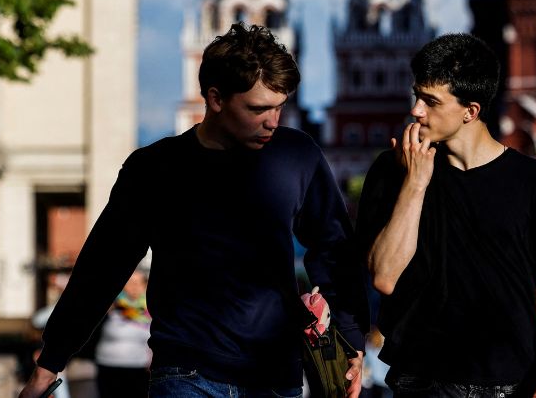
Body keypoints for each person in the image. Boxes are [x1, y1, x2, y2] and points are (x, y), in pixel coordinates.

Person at [19, 23, 368, 398]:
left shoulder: (296, 155)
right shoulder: (154, 168)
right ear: (215, 99)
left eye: (280, 107)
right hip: (186, 373)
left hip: (274, 376)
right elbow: (103, 266)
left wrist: (350, 340)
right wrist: (50, 362)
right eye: (258, 109)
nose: (273, 122)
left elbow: (334, 248)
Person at [357, 33, 536, 397]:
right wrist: (415, 184)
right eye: (417, 95)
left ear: (471, 111)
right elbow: (386, 277)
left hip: (514, 382)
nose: (416, 110)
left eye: (431, 101)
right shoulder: (393, 170)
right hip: (422, 381)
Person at [94, 270, 152, 398]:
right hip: (108, 367)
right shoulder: (111, 305)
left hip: (139, 369)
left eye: (138, 283)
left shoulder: (151, 309)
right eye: (130, 283)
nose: (134, 287)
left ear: (145, 286)